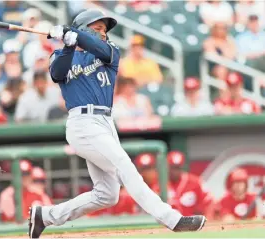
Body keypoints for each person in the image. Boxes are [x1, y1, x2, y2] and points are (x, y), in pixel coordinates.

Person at [28, 9, 206, 239]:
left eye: (104, 29)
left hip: (105, 122)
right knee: (124, 164)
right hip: (82, 123)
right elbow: (56, 73)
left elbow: (100, 48)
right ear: (83, 28)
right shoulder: (63, 55)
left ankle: (46, 216)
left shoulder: (109, 51)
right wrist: (69, 44)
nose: (103, 33)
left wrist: (76, 35)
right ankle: (172, 219)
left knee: (107, 194)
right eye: (97, 28)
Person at [155, 151, 213, 218]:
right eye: (172, 167)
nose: (175, 171)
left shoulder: (195, 182)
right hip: (168, 225)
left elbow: (209, 202)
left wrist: (207, 218)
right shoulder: (160, 184)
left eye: (177, 168)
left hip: (192, 224)